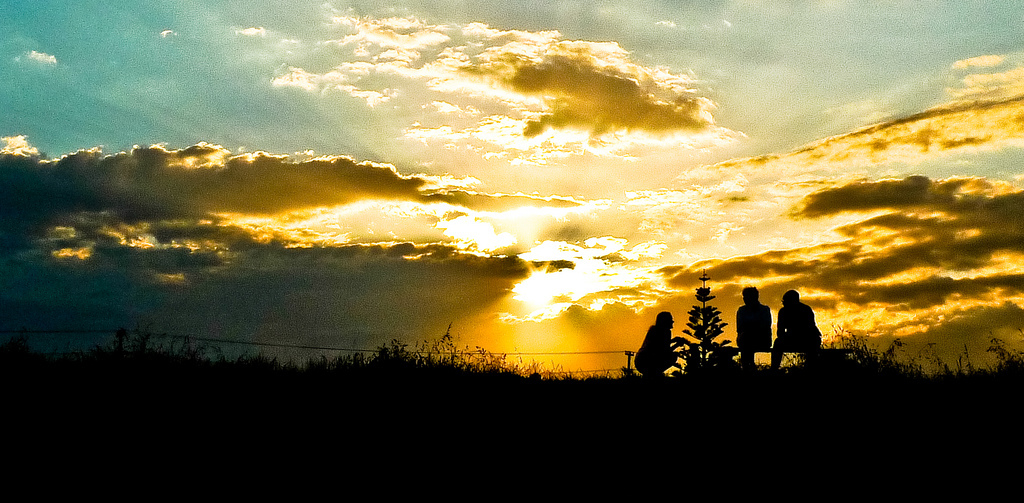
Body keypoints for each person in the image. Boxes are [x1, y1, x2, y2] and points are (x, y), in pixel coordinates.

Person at [771, 290, 822, 370]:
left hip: (807, 339)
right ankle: (774, 369)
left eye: (786, 301)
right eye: (783, 301)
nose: (784, 303)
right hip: (793, 339)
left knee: (813, 342)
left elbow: (811, 328)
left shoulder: (805, 310)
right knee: (778, 342)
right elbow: (780, 332)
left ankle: (810, 368)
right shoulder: (783, 312)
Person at [736, 287, 772, 371]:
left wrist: (750, 327)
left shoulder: (764, 310)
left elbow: (765, 326)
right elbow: (740, 328)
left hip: (761, 340)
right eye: (744, 296)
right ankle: (748, 366)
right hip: (746, 339)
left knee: (747, 337)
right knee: (746, 338)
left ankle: (748, 367)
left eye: (747, 296)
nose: (744, 299)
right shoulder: (741, 310)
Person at [635, 311, 678, 377]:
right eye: (671, 320)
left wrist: (673, 341)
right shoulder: (666, 332)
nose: (672, 322)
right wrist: (677, 345)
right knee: (673, 356)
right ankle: (655, 373)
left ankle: (653, 374)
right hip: (648, 361)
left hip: (639, 361)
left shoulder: (653, 330)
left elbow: (659, 344)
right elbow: (664, 351)